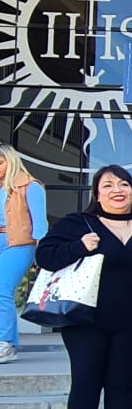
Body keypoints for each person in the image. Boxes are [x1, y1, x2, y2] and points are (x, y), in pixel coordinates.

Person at [36, 165, 132, 409]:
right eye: (108, 185)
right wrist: (78, 246)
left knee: (121, 383)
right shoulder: (78, 223)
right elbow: (45, 255)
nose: (117, 190)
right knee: (85, 380)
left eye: (124, 184)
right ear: (96, 194)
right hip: (85, 320)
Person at [0, 144, 46, 363]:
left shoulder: (30, 186)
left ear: (11, 162)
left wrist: (42, 253)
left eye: (1, 162)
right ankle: (10, 340)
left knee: (2, 289)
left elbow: (40, 224)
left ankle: (5, 342)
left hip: (19, 244)